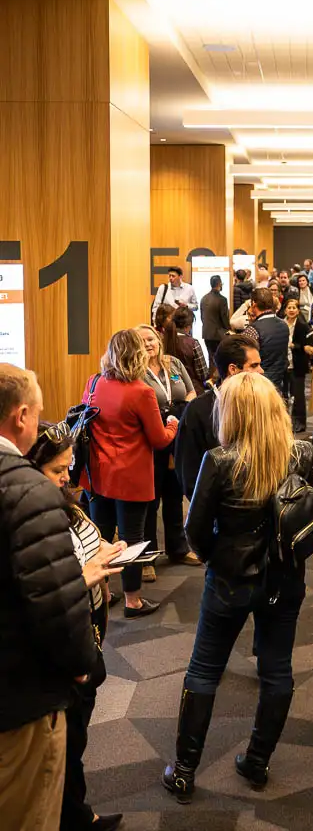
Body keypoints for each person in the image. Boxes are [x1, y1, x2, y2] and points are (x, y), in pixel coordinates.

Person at [162, 373, 313, 801]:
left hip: (230, 580)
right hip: (284, 578)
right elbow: (306, 513)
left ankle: (184, 770)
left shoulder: (220, 459)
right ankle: (257, 760)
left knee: (204, 670)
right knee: (277, 670)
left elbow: (194, 531)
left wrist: (220, 556)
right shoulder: (302, 453)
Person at [0, 366, 99, 831]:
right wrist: (80, 665)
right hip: (22, 699)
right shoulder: (28, 490)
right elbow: (54, 602)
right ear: (21, 416)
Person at [27, 425, 125, 831]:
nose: (67, 477)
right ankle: (74, 817)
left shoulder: (67, 504)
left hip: (90, 631)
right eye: (57, 470)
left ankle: (78, 812)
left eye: (69, 467)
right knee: (63, 743)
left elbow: (86, 542)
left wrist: (105, 550)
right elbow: (45, 591)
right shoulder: (32, 519)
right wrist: (85, 575)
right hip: (64, 643)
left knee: (76, 738)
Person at [85, 330, 179, 618]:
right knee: (132, 538)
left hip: (99, 474)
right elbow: (159, 439)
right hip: (131, 477)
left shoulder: (95, 382)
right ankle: (133, 600)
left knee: (99, 537)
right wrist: (173, 424)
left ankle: (104, 592)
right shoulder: (141, 391)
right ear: (138, 355)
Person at [136, 324, 198, 574]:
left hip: (178, 436)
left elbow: (191, 391)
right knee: (151, 499)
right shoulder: (136, 371)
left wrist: (184, 410)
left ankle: (178, 548)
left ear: (159, 340)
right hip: (151, 440)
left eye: (150, 339)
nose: (148, 344)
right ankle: (147, 558)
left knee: (175, 493)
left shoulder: (173, 363)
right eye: (141, 341)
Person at [175, 335, 262, 501]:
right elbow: (188, 471)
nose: (261, 371)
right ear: (233, 369)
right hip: (217, 512)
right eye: (254, 365)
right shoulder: (197, 411)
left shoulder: (263, 403)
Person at [244, 287, 290, 392]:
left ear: (254, 304)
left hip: (259, 384)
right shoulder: (284, 325)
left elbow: (246, 360)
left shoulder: (253, 329)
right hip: (279, 381)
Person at [163, 307, 209, 396]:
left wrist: (177, 379)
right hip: (193, 391)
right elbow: (202, 374)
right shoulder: (193, 343)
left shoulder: (164, 340)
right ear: (189, 326)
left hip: (171, 389)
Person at [282, 298, 308, 433]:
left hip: (297, 364)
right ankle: (285, 421)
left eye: (294, 308)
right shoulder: (281, 324)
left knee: (298, 395)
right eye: (289, 307)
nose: (291, 310)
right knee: (284, 394)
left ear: (298, 310)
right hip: (283, 364)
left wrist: (294, 346)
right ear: (285, 309)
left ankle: (300, 422)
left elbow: (307, 345)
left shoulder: (303, 325)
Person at [200, 275, 230, 367]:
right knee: (220, 359)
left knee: (211, 359)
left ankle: (211, 379)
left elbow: (202, 317)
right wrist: (228, 330)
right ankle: (219, 380)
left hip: (207, 333)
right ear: (219, 284)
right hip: (219, 334)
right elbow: (224, 318)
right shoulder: (222, 300)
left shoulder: (204, 298)